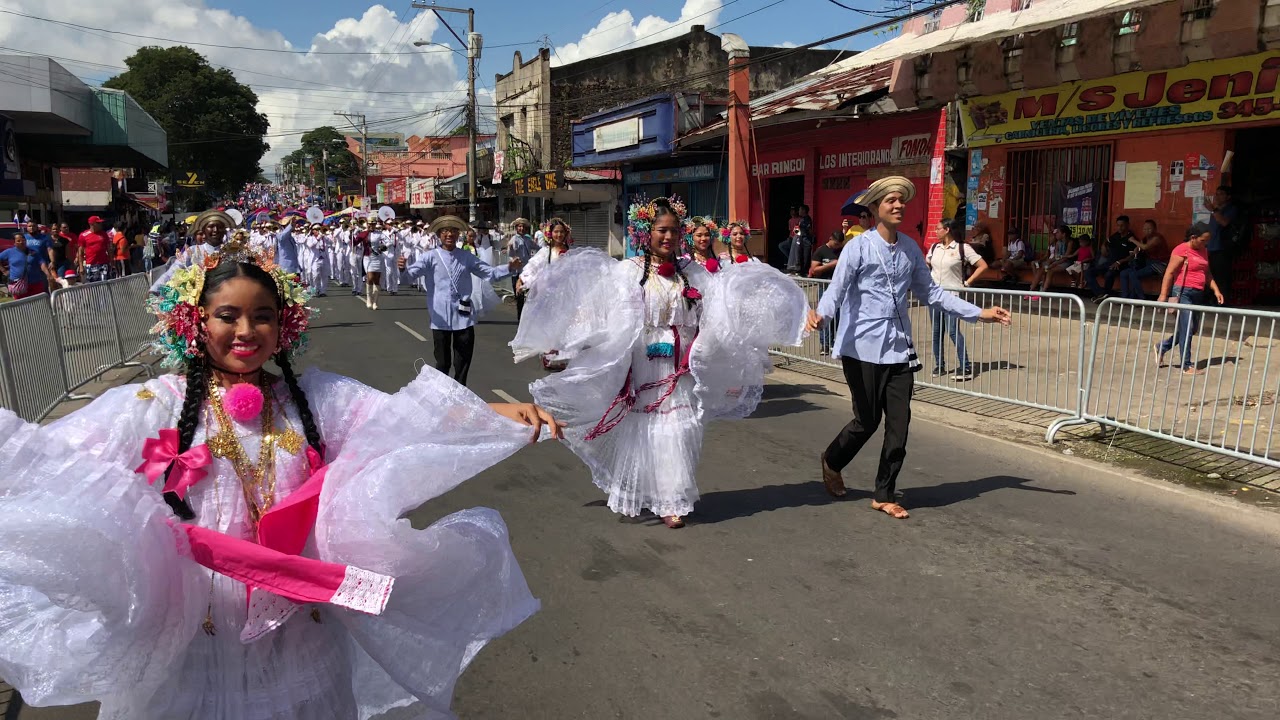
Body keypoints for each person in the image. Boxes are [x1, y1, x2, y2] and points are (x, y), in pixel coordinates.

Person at [0, 229, 563, 719]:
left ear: (283, 323)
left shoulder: (314, 397)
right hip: (198, 621)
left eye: (262, 315)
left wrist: (491, 414)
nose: (246, 330)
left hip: (297, 622)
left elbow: (398, 423)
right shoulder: (152, 404)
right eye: (228, 315)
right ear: (193, 322)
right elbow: (54, 462)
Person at [509, 197, 808, 529]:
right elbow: (601, 312)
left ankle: (671, 497)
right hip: (644, 361)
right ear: (645, 233)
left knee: (681, 429)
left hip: (681, 366)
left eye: (674, 231)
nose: (668, 237)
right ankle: (660, 497)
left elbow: (721, 309)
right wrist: (576, 338)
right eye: (661, 231)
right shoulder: (627, 272)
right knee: (648, 430)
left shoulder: (694, 273)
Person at [806, 177, 1011, 520]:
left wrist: (980, 313)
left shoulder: (912, 249)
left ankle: (884, 493)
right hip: (862, 348)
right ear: (874, 208)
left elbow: (932, 294)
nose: (898, 205)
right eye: (890, 201)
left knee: (899, 426)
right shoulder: (858, 248)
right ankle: (832, 460)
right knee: (867, 421)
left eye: (901, 200)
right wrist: (821, 315)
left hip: (899, 350)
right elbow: (836, 289)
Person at [398, 216, 522, 386]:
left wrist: (509, 268)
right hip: (440, 318)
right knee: (442, 363)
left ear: (458, 235)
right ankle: (441, 394)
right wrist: (402, 268)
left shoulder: (466, 256)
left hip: (464, 317)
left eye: (453, 231)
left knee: (462, 362)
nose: (449, 234)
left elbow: (489, 273)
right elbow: (407, 278)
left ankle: (460, 394)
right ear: (439, 235)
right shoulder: (430, 257)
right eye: (445, 231)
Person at [1154, 222, 1225, 376]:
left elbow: (1207, 274)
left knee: (1191, 329)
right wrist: (1163, 295)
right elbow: (1169, 273)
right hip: (1183, 292)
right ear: (1193, 238)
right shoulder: (1181, 250)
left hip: (1198, 294)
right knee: (1187, 328)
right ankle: (1186, 365)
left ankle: (1163, 347)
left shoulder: (1204, 251)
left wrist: (1216, 290)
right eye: (1203, 240)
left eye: (1207, 241)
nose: (1205, 244)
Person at [925, 219, 989, 380]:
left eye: (938, 228)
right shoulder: (935, 248)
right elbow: (927, 266)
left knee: (953, 331)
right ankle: (939, 365)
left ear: (947, 230)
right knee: (936, 332)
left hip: (952, 296)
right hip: (935, 296)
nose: (935, 231)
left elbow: (982, 265)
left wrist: (966, 283)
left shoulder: (962, 248)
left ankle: (965, 366)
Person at [1085, 215, 1137, 301]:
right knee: (1088, 272)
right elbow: (1107, 241)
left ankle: (1104, 295)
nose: (1119, 228)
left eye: (1122, 225)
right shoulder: (1116, 236)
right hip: (1109, 262)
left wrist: (1119, 262)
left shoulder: (1131, 238)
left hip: (1121, 265)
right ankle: (1101, 293)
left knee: (1109, 274)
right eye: (1118, 225)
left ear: (1128, 225)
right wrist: (1103, 246)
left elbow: (1132, 256)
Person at [810, 230, 844, 356]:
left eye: (839, 244)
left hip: (839, 287)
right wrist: (831, 264)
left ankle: (835, 343)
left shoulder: (842, 250)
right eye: (835, 244)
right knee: (824, 315)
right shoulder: (821, 251)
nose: (837, 247)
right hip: (824, 286)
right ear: (830, 239)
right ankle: (825, 344)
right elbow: (814, 270)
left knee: (839, 316)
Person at [1204, 185, 1239, 305]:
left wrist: (1213, 210)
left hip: (1222, 248)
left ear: (1228, 197)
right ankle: (1212, 300)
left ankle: (1222, 303)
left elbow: (1224, 222)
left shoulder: (1231, 209)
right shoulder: (1215, 210)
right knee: (1211, 275)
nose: (1217, 196)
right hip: (1211, 247)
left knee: (1221, 277)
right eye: (1216, 193)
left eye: (1221, 194)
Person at [1120, 219, 1168, 299]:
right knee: (1124, 273)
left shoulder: (1157, 238)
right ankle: (1124, 297)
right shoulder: (1145, 238)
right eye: (1145, 229)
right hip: (1148, 263)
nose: (1147, 231)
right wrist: (1135, 251)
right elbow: (1139, 248)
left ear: (1155, 229)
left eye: (1149, 229)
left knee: (1133, 275)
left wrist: (1133, 240)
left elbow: (1145, 247)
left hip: (1159, 264)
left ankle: (1141, 298)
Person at [0, 233, 51, 298]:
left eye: (23, 240)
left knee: (39, 304)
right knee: (22, 306)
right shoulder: (9, 252)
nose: (21, 242)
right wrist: (4, 271)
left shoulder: (33, 252)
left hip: (35, 283)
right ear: (14, 242)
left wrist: (48, 274)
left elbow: (42, 263)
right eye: (18, 241)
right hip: (19, 285)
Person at [506, 218, 538, 319]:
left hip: (527, 270)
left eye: (523, 227)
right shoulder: (514, 239)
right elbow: (510, 254)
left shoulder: (528, 239)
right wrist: (510, 248)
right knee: (519, 295)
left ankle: (528, 316)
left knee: (530, 293)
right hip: (517, 271)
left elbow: (537, 247)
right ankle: (520, 317)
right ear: (516, 228)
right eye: (520, 226)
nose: (522, 228)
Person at [1031, 225, 1074, 292]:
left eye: (1058, 232)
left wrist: (1053, 264)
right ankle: (1031, 289)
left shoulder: (1070, 243)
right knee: (1043, 269)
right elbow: (1056, 256)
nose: (1056, 234)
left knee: (1050, 270)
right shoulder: (1058, 243)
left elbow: (1066, 257)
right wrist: (1050, 261)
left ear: (1063, 234)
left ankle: (1043, 291)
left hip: (1066, 262)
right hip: (1056, 262)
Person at [78, 216, 114, 283]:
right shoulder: (83, 235)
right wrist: (81, 266)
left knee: (105, 283)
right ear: (91, 224)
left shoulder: (104, 234)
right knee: (92, 285)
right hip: (91, 264)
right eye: (98, 223)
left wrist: (111, 261)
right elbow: (80, 252)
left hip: (104, 263)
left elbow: (109, 249)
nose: (100, 225)